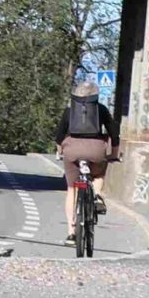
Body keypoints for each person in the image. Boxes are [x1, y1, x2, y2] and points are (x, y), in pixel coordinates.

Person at [56, 80, 117, 243]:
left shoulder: (70, 110)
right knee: (98, 175)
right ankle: (96, 196)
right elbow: (113, 132)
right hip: (96, 150)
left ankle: (71, 232)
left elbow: (59, 134)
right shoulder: (101, 109)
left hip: (72, 150)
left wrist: (59, 149)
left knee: (71, 189)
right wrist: (114, 154)